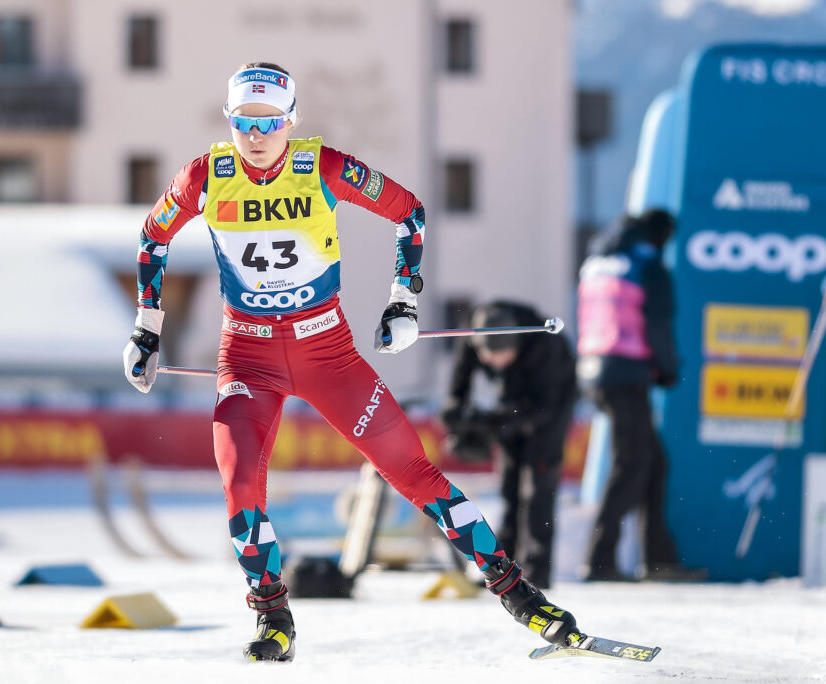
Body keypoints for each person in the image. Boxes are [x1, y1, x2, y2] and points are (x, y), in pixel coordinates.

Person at [123, 61, 579, 662]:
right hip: (248, 359)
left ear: (292, 121)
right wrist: (148, 328)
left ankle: (522, 598)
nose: (255, 136)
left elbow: (409, 212)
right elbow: (153, 238)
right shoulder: (206, 176)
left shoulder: (324, 167)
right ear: (230, 120)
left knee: (415, 475)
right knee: (239, 487)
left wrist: (403, 301)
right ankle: (272, 618)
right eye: (243, 122)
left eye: (269, 122)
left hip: (327, 355)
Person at [576, 209, 705, 582]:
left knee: (653, 463)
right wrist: (667, 367)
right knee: (631, 464)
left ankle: (658, 559)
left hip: (596, 369)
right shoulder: (648, 265)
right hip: (627, 374)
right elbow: (657, 322)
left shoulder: (598, 260)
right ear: (662, 234)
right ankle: (599, 561)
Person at [440, 300, 577, 589]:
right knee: (509, 486)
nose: (492, 362)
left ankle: (538, 569)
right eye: (488, 357)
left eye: (501, 355)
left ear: (515, 347)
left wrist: (496, 423)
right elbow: (458, 388)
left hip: (550, 407)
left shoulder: (547, 346)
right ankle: (505, 568)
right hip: (512, 403)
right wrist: (458, 420)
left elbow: (544, 408)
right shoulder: (474, 342)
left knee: (537, 487)